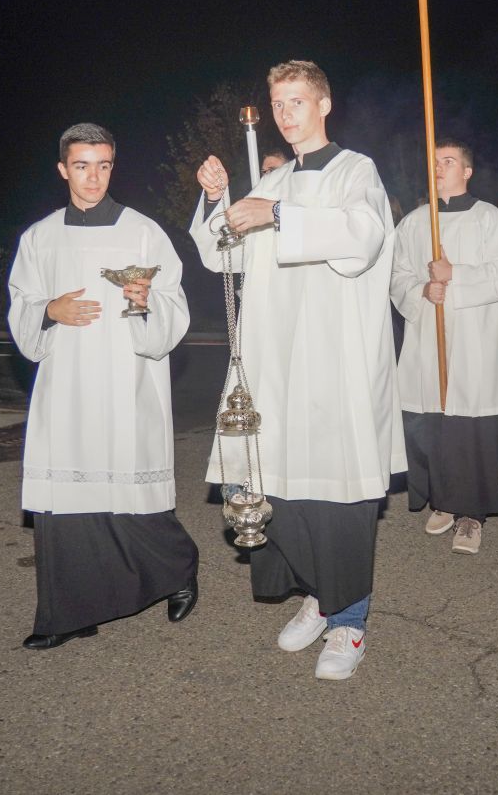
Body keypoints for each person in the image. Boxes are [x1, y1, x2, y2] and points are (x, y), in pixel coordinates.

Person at [189, 60, 404, 681]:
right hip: (271, 364)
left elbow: (361, 240)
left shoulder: (355, 170)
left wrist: (276, 217)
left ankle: (349, 620)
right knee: (256, 485)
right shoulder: (272, 182)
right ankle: (319, 590)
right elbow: (219, 256)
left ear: (324, 104)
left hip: (332, 362)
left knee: (336, 495)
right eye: (278, 104)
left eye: (297, 101)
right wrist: (217, 200)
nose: (286, 114)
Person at [6, 123, 198, 650]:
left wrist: (143, 303)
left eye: (105, 165)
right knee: (67, 505)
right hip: (66, 384)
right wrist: (48, 309)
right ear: (64, 169)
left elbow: (174, 309)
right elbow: (21, 304)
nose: (94, 177)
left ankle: (178, 570)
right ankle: (68, 615)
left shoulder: (143, 232)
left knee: (130, 493)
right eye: (83, 165)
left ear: (114, 166)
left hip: (126, 381)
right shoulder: (40, 238)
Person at [392, 140, 498, 554]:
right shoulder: (412, 223)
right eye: (433, 163)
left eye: (448, 162)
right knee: (432, 426)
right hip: (428, 338)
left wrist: (454, 275)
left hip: (475, 341)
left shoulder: (490, 220)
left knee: (472, 429)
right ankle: (443, 501)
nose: (439, 168)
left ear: (467, 171)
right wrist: (424, 289)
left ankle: (471, 516)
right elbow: (397, 279)